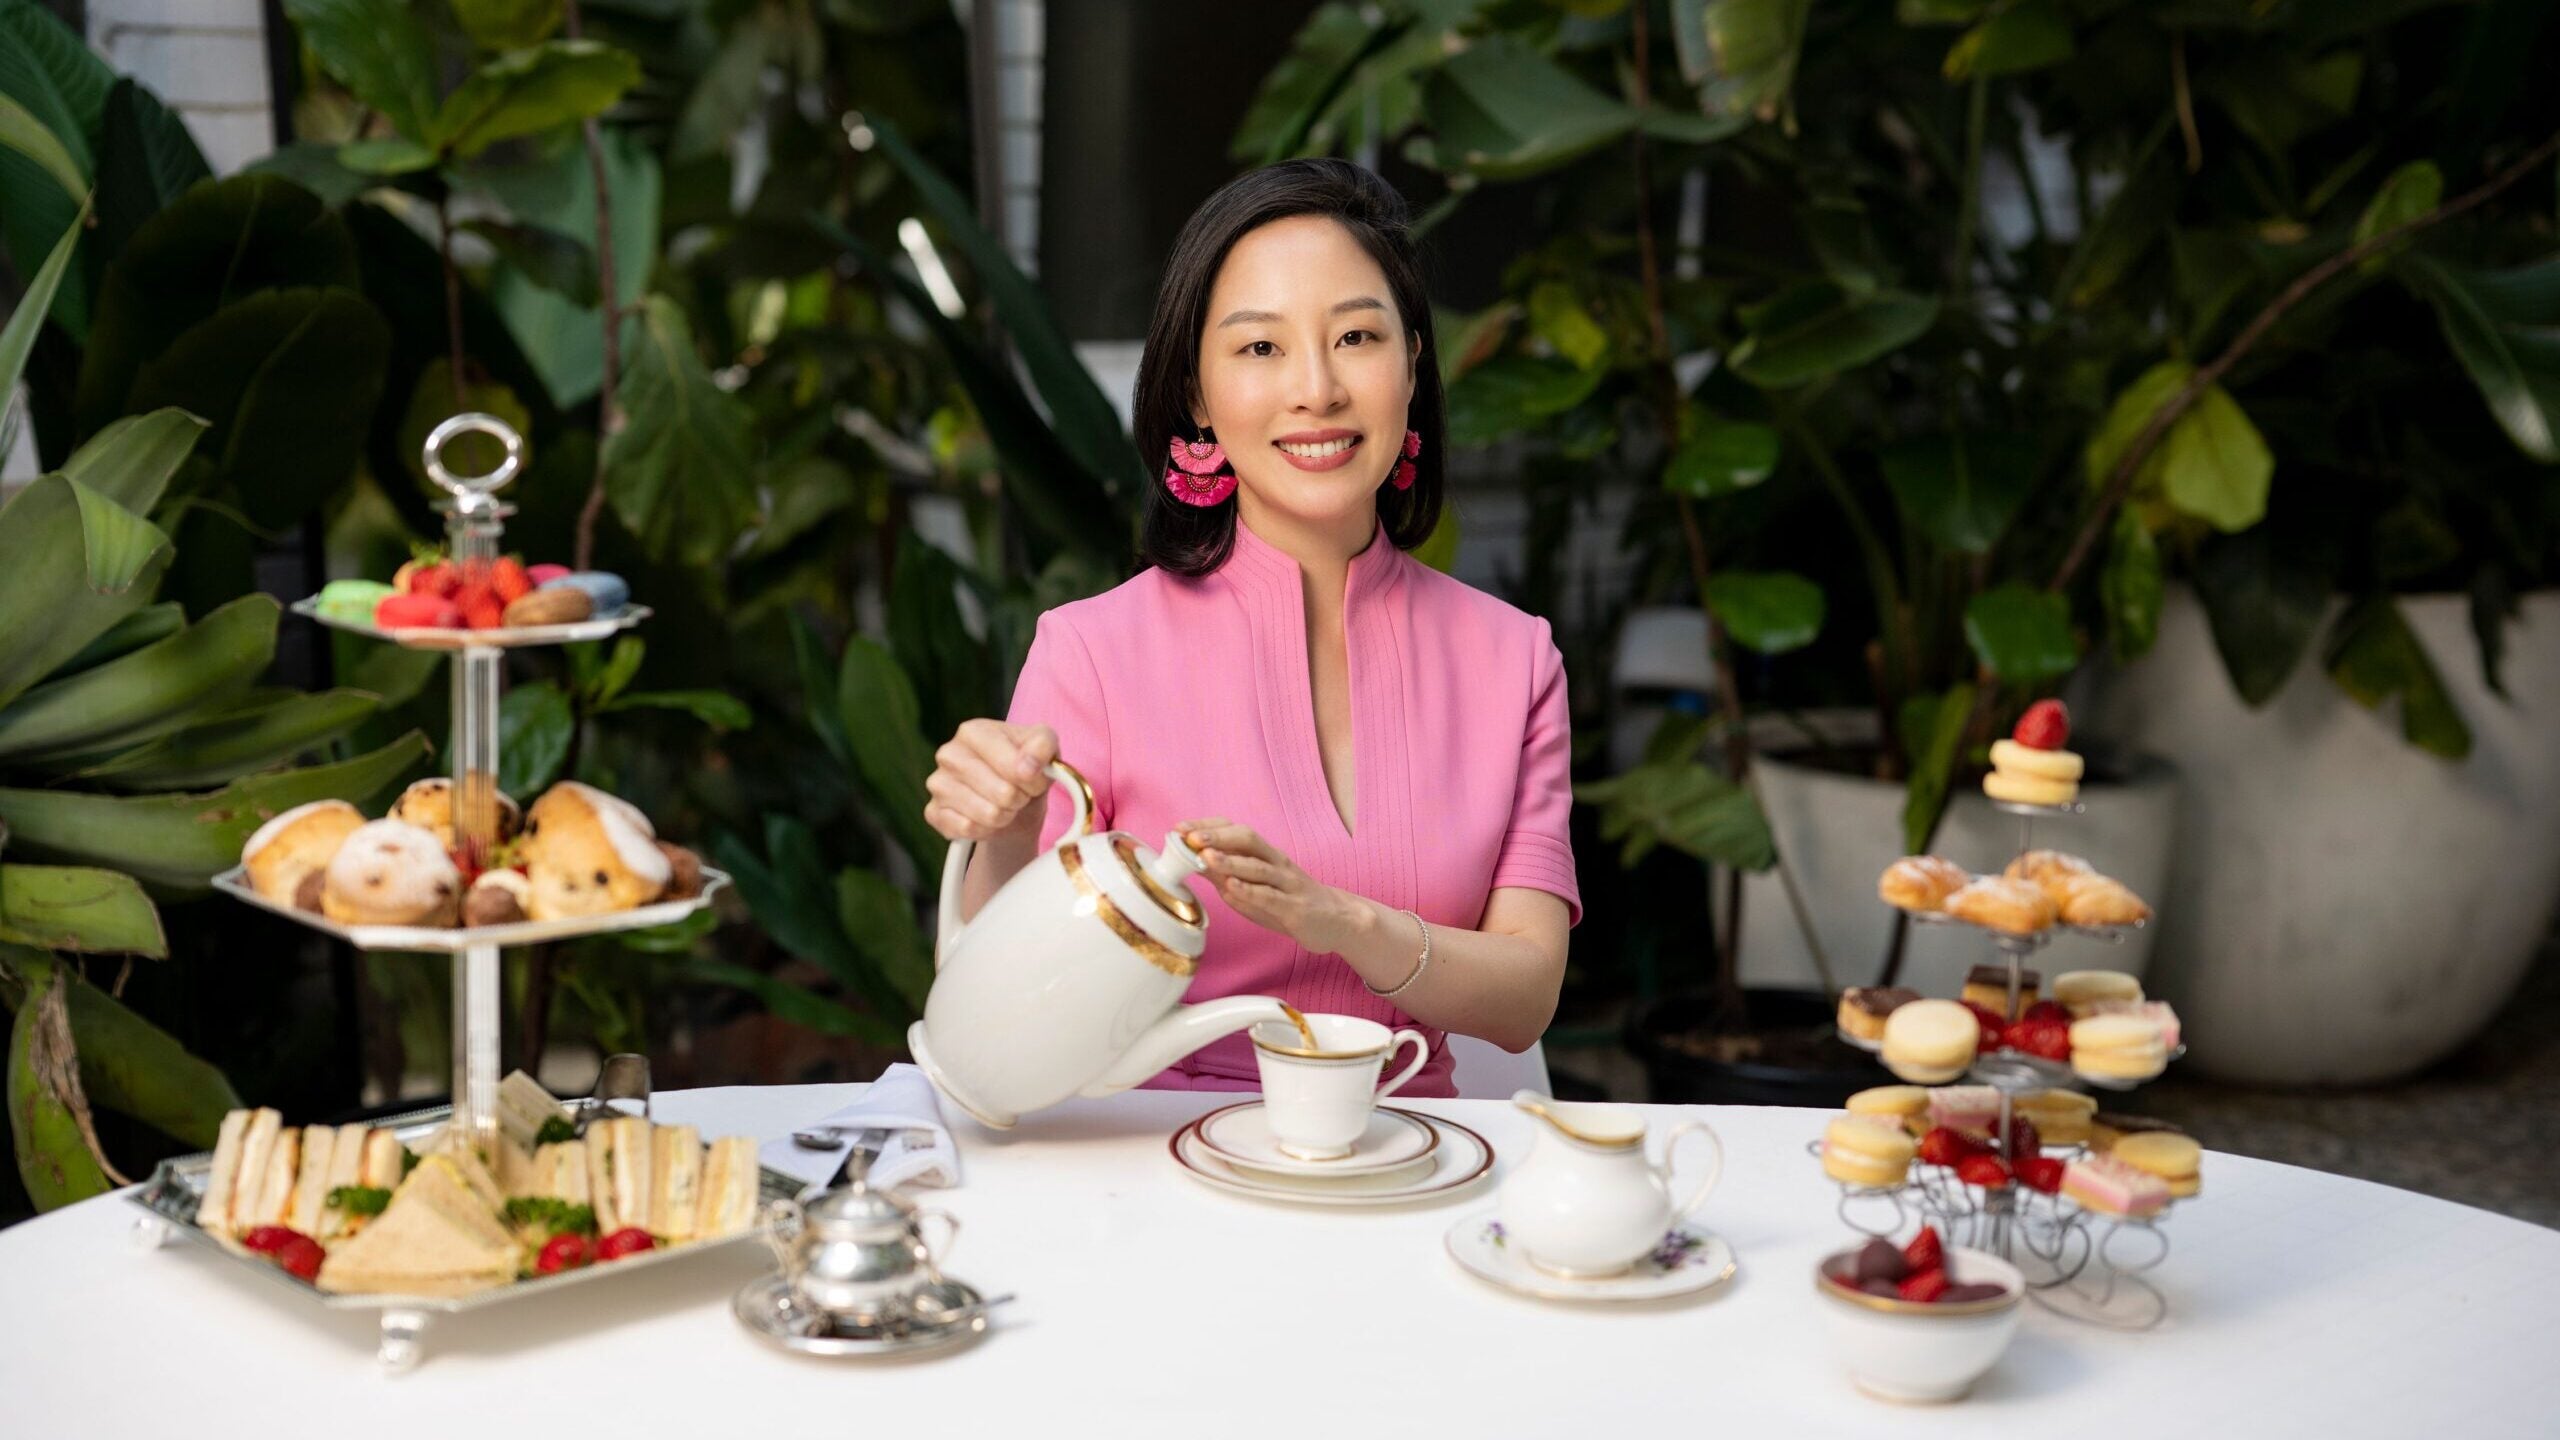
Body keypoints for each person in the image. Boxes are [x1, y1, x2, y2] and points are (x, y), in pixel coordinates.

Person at [921, 159, 1578, 1097]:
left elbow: (1525, 1000)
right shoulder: (1093, 653)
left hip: (1419, 1173)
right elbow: (992, 1002)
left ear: (1413, 362)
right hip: (1153, 1175)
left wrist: (1344, 922)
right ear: (1196, 394)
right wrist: (1009, 830)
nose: (1316, 390)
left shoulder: (1515, 660)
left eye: (1356, 336)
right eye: (1260, 349)